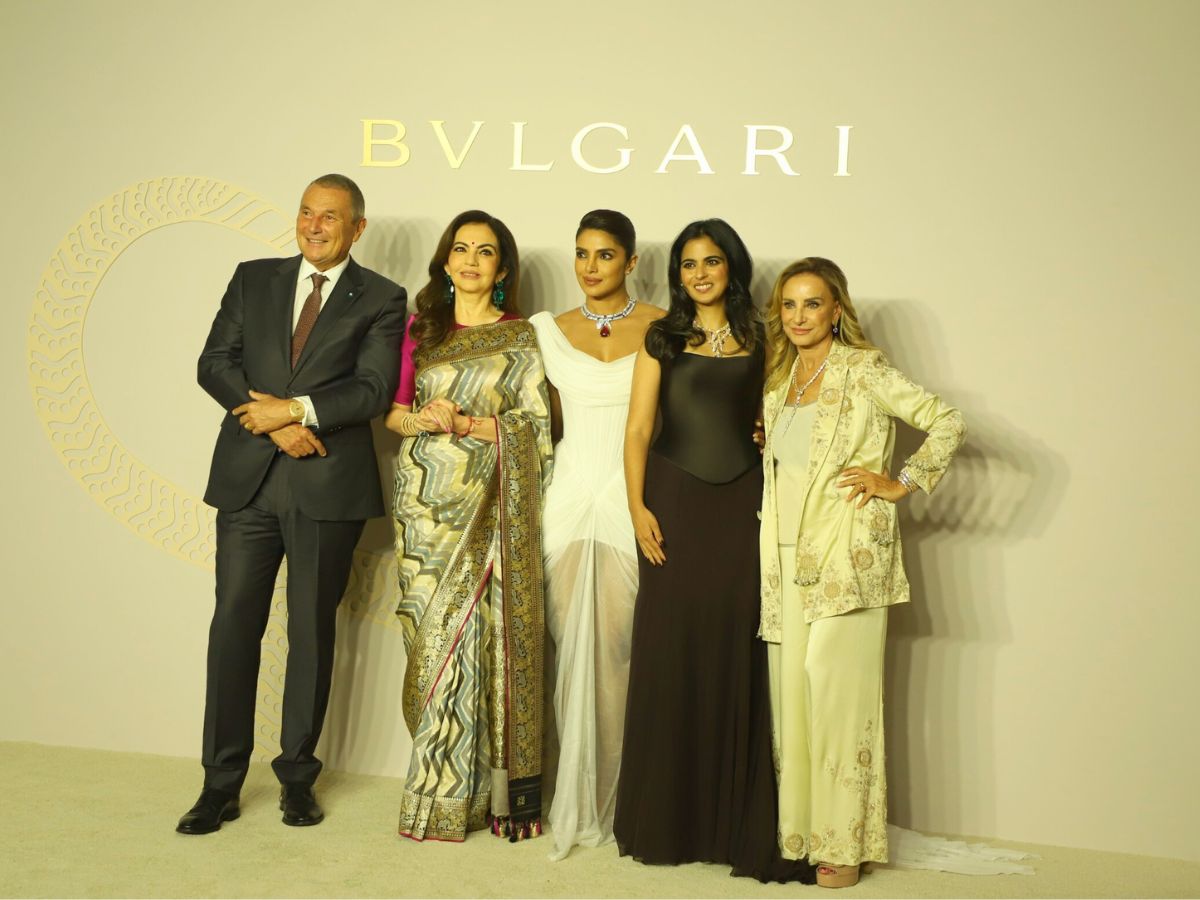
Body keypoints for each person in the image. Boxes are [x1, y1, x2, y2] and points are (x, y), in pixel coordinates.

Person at [179, 174, 407, 834]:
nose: (313, 225)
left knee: (310, 632)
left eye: (329, 216)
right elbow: (214, 363)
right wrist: (272, 423)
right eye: (307, 212)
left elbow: (372, 390)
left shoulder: (382, 298)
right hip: (248, 482)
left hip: (327, 485)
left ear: (357, 227)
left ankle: (298, 780)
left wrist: (297, 410)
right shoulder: (254, 278)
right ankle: (219, 783)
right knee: (233, 627)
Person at [613, 219, 813, 883]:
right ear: (678, 274)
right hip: (672, 501)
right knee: (673, 643)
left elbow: (784, 412)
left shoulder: (764, 335)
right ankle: (669, 819)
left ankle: (732, 822)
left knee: (738, 640)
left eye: (711, 262)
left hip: (744, 504)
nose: (700, 274)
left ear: (732, 267)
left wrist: (768, 433)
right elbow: (638, 429)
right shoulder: (662, 337)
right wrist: (638, 507)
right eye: (688, 264)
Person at [758, 257, 965, 888]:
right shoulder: (779, 383)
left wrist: (900, 483)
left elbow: (946, 420)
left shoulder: (864, 369)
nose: (799, 316)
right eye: (789, 305)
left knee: (840, 702)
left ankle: (845, 845)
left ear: (836, 310)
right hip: (782, 559)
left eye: (812, 303)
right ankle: (802, 835)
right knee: (793, 701)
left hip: (848, 556)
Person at [385, 210, 552, 843]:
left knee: (484, 639)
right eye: (461, 249)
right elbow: (394, 416)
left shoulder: (522, 337)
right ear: (446, 260)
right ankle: (437, 792)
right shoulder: (421, 330)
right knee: (433, 635)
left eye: (485, 252)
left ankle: (481, 794)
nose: (471, 261)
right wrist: (424, 419)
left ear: (502, 268)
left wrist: (467, 424)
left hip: (493, 506)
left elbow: (537, 426)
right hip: (425, 507)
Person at [530, 210, 663, 859]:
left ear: (631, 262)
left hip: (629, 499)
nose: (590, 266)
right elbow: (537, 420)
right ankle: (573, 796)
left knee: (620, 645)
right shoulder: (547, 331)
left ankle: (622, 797)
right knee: (567, 646)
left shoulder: (664, 327)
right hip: (567, 498)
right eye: (581, 253)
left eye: (605, 255)